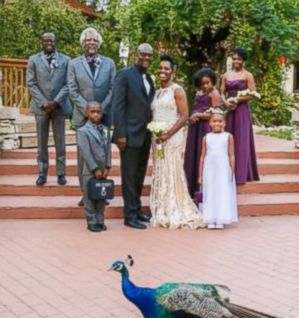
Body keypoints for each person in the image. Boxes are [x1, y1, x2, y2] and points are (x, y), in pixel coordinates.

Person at [150, 54, 204, 229]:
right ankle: (162, 209)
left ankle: (176, 208)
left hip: (173, 137)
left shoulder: (177, 90)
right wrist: (156, 132)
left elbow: (184, 116)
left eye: (166, 68)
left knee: (172, 169)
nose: (162, 71)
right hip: (157, 138)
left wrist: (168, 134)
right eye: (160, 68)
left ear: (173, 71)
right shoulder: (157, 92)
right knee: (161, 170)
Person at [68, 27, 116, 206]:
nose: (91, 43)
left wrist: (100, 111)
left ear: (99, 43)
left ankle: (101, 190)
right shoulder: (73, 64)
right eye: (88, 40)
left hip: (103, 117)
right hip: (82, 118)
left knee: (103, 155)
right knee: (84, 157)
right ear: (83, 43)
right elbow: (72, 90)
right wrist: (88, 111)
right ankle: (86, 193)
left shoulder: (109, 63)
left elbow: (112, 88)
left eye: (94, 40)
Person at [112, 43, 155, 229]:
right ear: (136, 55)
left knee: (139, 174)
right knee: (129, 176)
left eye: (149, 55)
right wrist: (120, 133)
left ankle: (137, 209)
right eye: (143, 54)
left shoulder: (149, 79)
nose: (146, 58)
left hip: (145, 135)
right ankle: (129, 215)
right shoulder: (124, 75)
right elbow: (118, 106)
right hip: (128, 135)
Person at [27, 32, 71, 186]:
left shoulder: (66, 60)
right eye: (45, 40)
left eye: (51, 40)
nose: (48, 43)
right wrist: (44, 103)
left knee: (60, 142)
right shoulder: (33, 60)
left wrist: (56, 102)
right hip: (41, 107)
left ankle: (61, 173)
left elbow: (68, 84)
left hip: (59, 107)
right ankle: (42, 172)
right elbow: (31, 83)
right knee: (41, 142)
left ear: (55, 41)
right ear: (42, 42)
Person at [221, 47, 260, 184]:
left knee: (241, 139)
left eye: (239, 59)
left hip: (242, 110)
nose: (236, 61)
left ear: (243, 61)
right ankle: (226, 171)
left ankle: (241, 173)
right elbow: (221, 93)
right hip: (229, 111)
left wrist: (237, 99)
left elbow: (253, 94)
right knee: (227, 139)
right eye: (234, 58)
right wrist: (226, 103)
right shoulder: (226, 75)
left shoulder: (247, 75)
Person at [184, 68, 221, 198]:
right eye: (202, 83)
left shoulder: (214, 94)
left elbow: (216, 114)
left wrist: (199, 115)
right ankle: (191, 187)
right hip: (195, 128)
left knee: (202, 154)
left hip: (205, 127)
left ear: (213, 81)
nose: (205, 86)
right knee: (193, 154)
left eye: (208, 82)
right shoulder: (199, 93)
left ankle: (204, 190)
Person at [198, 108, 238, 229]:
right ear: (210, 123)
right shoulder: (206, 137)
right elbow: (202, 157)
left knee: (222, 191)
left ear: (224, 123)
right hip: (209, 169)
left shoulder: (228, 136)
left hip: (223, 168)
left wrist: (232, 170)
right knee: (210, 191)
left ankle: (221, 217)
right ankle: (210, 218)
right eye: (214, 121)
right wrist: (200, 175)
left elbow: (231, 154)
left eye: (220, 121)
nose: (217, 123)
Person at [76, 102, 111, 232]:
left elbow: (108, 150)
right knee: (89, 197)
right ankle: (91, 221)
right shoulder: (82, 131)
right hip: (89, 170)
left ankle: (100, 220)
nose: (96, 114)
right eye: (92, 112)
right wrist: (94, 168)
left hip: (103, 170)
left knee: (102, 196)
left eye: (98, 112)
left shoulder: (106, 129)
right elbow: (85, 151)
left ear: (102, 114)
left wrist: (107, 166)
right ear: (86, 113)